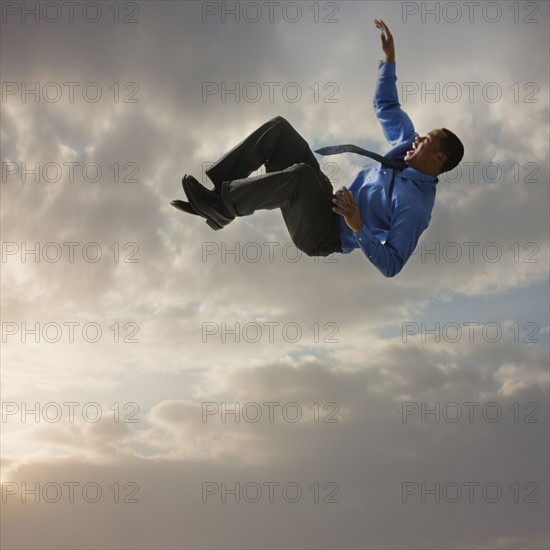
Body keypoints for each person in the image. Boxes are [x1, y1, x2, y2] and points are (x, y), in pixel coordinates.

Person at [171, 19, 464, 277]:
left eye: (425, 140)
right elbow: (386, 106)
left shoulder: (415, 208)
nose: (417, 139)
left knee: (300, 176)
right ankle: (214, 197)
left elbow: (393, 264)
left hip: (325, 234)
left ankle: (222, 207)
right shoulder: (406, 147)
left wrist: (359, 226)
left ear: (438, 157)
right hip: (326, 199)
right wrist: (390, 60)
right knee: (280, 131)